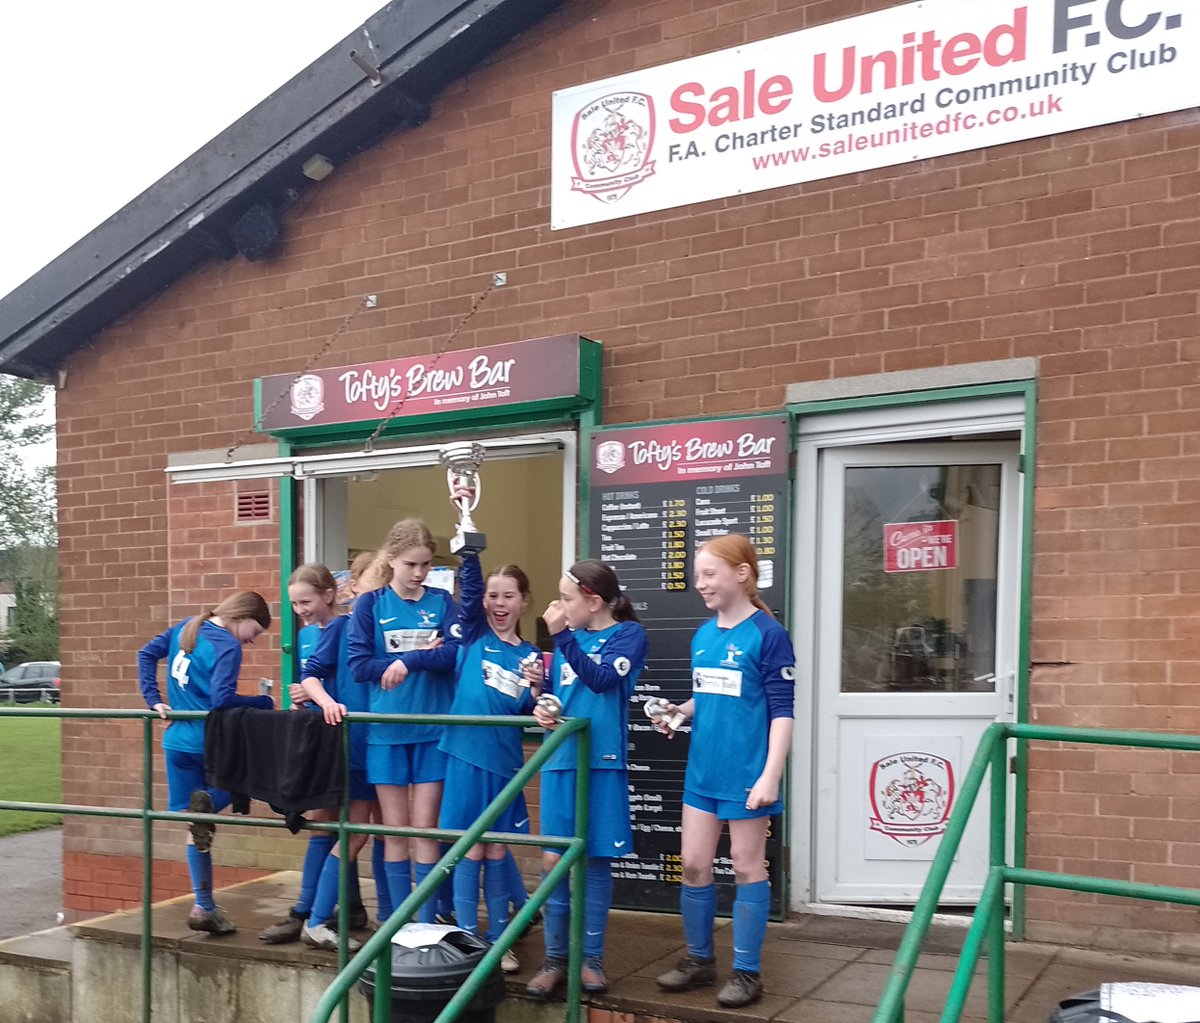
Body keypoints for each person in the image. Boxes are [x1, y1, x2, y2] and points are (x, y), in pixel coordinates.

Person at [653, 534, 795, 1008]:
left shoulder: (768, 635)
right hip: (703, 772)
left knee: (746, 866)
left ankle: (748, 973)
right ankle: (698, 961)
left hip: (746, 774)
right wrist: (679, 712)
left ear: (742, 573)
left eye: (709, 574)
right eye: (697, 575)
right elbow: (711, 694)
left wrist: (770, 774)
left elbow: (782, 712)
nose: (700, 584)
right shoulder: (704, 634)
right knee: (693, 864)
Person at [525, 560, 648, 999]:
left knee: (594, 861)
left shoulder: (629, 635)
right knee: (553, 862)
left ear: (593, 600)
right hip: (560, 758)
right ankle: (555, 958)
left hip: (602, 759)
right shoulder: (567, 641)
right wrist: (542, 704)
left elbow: (598, 681)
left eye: (567, 599)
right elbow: (564, 694)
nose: (558, 607)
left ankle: (590, 959)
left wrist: (559, 636)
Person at [137, 591, 274, 935]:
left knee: (197, 827)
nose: (252, 641)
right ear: (240, 617)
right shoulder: (228, 646)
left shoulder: (187, 627)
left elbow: (145, 654)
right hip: (210, 741)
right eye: (254, 632)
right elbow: (222, 699)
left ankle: (204, 905)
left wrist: (153, 700)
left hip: (176, 742)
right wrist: (264, 700)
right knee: (245, 783)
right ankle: (211, 802)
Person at [436, 543, 543, 974]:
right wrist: (470, 548)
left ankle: (500, 942)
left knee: (497, 850)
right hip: (463, 755)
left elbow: (526, 714)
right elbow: (472, 588)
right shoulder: (475, 634)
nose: (499, 604)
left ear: (524, 601)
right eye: (493, 596)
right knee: (468, 849)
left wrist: (537, 693)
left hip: (503, 763)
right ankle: (467, 940)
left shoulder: (531, 656)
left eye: (509, 596)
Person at [347, 521, 457, 931]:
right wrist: (400, 661)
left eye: (426, 565)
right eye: (411, 564)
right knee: (394, 833)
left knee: (425, 830)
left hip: (432, 730)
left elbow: (454, 655)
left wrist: (408, 661)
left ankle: (426, 925)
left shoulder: (444, 602)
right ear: (391, 559)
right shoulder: (370, 605)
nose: (419, 573)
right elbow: (359, 667)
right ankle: (397, 925)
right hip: (388, 733)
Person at [258, 564, 375, 949]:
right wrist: (311, 696)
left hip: (356, 740)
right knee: (338, 829)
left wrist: (317, 694)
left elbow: (326, 679)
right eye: (294, 603)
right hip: (340, 743)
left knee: (346, 829)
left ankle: (322, 912)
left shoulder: (348, 625)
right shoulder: (317, 634)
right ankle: (311, 915)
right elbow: (312, 678)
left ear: (330, 594)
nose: (301, 610)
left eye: (305, 601)